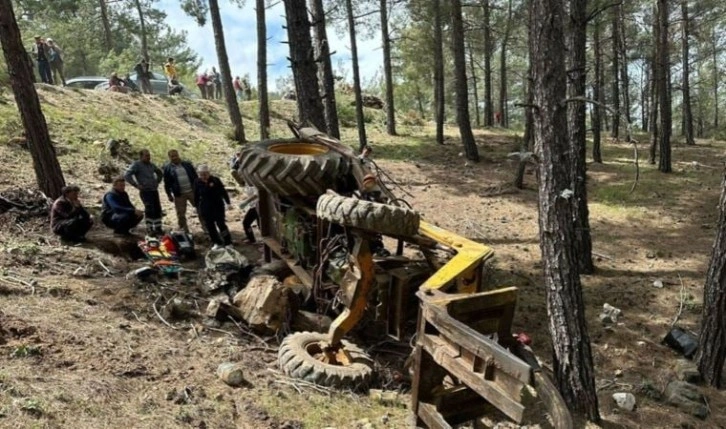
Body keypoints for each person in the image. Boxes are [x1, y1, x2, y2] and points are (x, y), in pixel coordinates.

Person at [124, 149, 164, 235]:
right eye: (146, 156)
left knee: (157, 209)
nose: (148, 157)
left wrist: (157, 181)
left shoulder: (151, 165)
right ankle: (149, 228)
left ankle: (158, 228)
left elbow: (159, 173)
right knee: (149, 209)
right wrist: (136, 185)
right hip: (145, 191)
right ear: (141, 156)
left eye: (149, 155)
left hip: (154, 190)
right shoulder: (137, 165)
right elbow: (127, 175)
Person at [195, 165, 232, 249]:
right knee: (210, 226)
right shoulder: (197, 182)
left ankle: (228, 242)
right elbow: (196, 195)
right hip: (205, 206)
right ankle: (216, 242)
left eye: (205, 174)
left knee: (221, 224)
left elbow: (223, 191)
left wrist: (228, 202)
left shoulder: (215, 180)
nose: (204, 176)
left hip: (217, 205)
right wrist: (196, 206)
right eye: (201, 174)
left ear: (209, 173)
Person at [163, 149, 199, 233]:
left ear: (178, 155)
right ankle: (185, 231)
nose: (175, 157)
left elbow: (195, 177)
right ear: (169, 157)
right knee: (181, 214)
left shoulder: (187, 165)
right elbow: (166, 183)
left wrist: (199, 188)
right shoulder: (168, 168)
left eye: (176, 155)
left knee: (201, 209)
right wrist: (169, 194)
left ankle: (206, 228)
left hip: (192, 191)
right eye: (172, 156)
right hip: (179, 194)